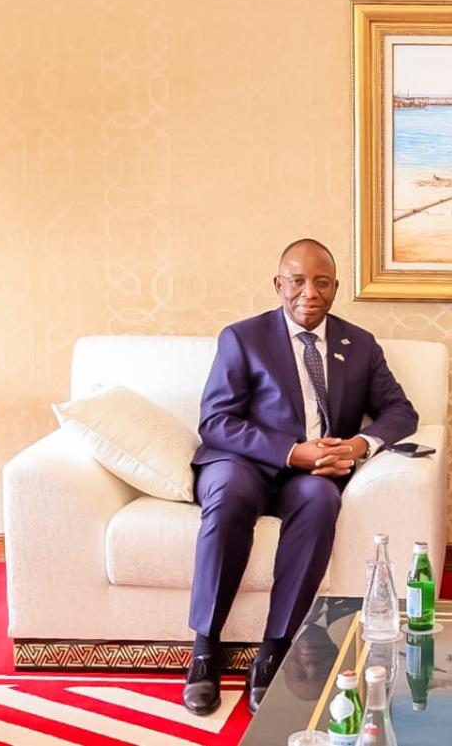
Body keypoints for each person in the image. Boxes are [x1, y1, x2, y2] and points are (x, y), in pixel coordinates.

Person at [182, 238, 418, 716]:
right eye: (297, 281)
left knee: (322, 500)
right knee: (228, 496)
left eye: (322, 282)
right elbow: (216, 421)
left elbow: (400, 412)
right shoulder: (243, 338)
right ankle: (205, 650)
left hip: (312, 475)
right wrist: (291, 452)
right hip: (243, 463)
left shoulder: (359, 344)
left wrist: (357, 445)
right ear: (278, 284)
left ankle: (274, 651)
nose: (309, 292)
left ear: (336, 288)